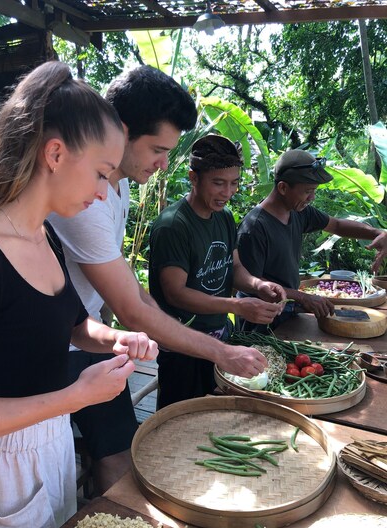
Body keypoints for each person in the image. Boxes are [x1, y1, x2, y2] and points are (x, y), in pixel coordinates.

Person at [0, 60, 158, 528]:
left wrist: (112, 339)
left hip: (49, 449)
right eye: (100, 173)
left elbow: (72, 325)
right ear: (55, 153)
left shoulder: (43, 234)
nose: (102, 192)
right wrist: (74, 396)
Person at [48, 67, 276, 495]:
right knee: (108, 457)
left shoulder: (118, 189)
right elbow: (135, 306)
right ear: (120, 131)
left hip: (87, 335)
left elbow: (132, 293)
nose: (163, 163)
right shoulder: (85, 202)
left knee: (120, 447)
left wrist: (168, 335)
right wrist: (221, 351)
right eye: (157, 149)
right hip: (57, 349)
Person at [148, 134, 286, 409]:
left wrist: (258, 284)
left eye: (234, 183)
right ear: (194, 178)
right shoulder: (173, 226)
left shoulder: (223, 218)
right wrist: (236, 306)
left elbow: (233, 266)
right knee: (179, 415)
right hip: (182, 343)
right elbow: (176, 294)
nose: (227, 192)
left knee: (213, 412)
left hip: (220, 339)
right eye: (218, 183)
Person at [236, 148, 387, 331]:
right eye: (308, 191)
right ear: (283, 187)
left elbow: (337, 225)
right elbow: (252, 283)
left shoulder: (299, 211)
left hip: (287, 311)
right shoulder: (254, 228)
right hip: (259, 321)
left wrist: (378, 232)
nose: (312, 197)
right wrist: (302, 297)